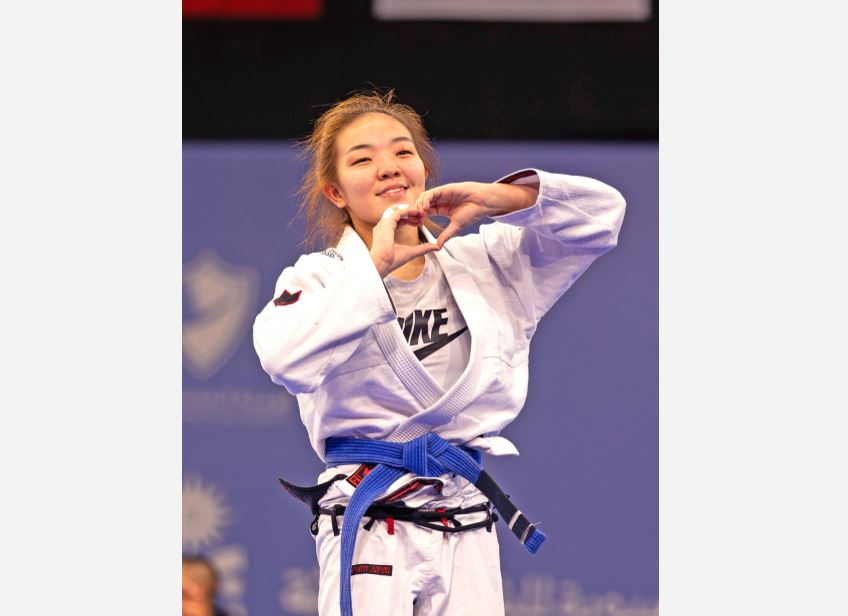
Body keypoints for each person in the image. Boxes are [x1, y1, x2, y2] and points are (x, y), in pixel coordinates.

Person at [253, 90, 626, 616]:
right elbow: (283, 358)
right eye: (363, 159)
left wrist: (505, 199)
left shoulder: (487, 263)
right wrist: (373, 269)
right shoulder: (320, 279)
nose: (388, 167)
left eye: (403, 152)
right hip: (371, 516)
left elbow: (602, 217)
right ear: (335, 192)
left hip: (463, 511)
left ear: (423, 168)